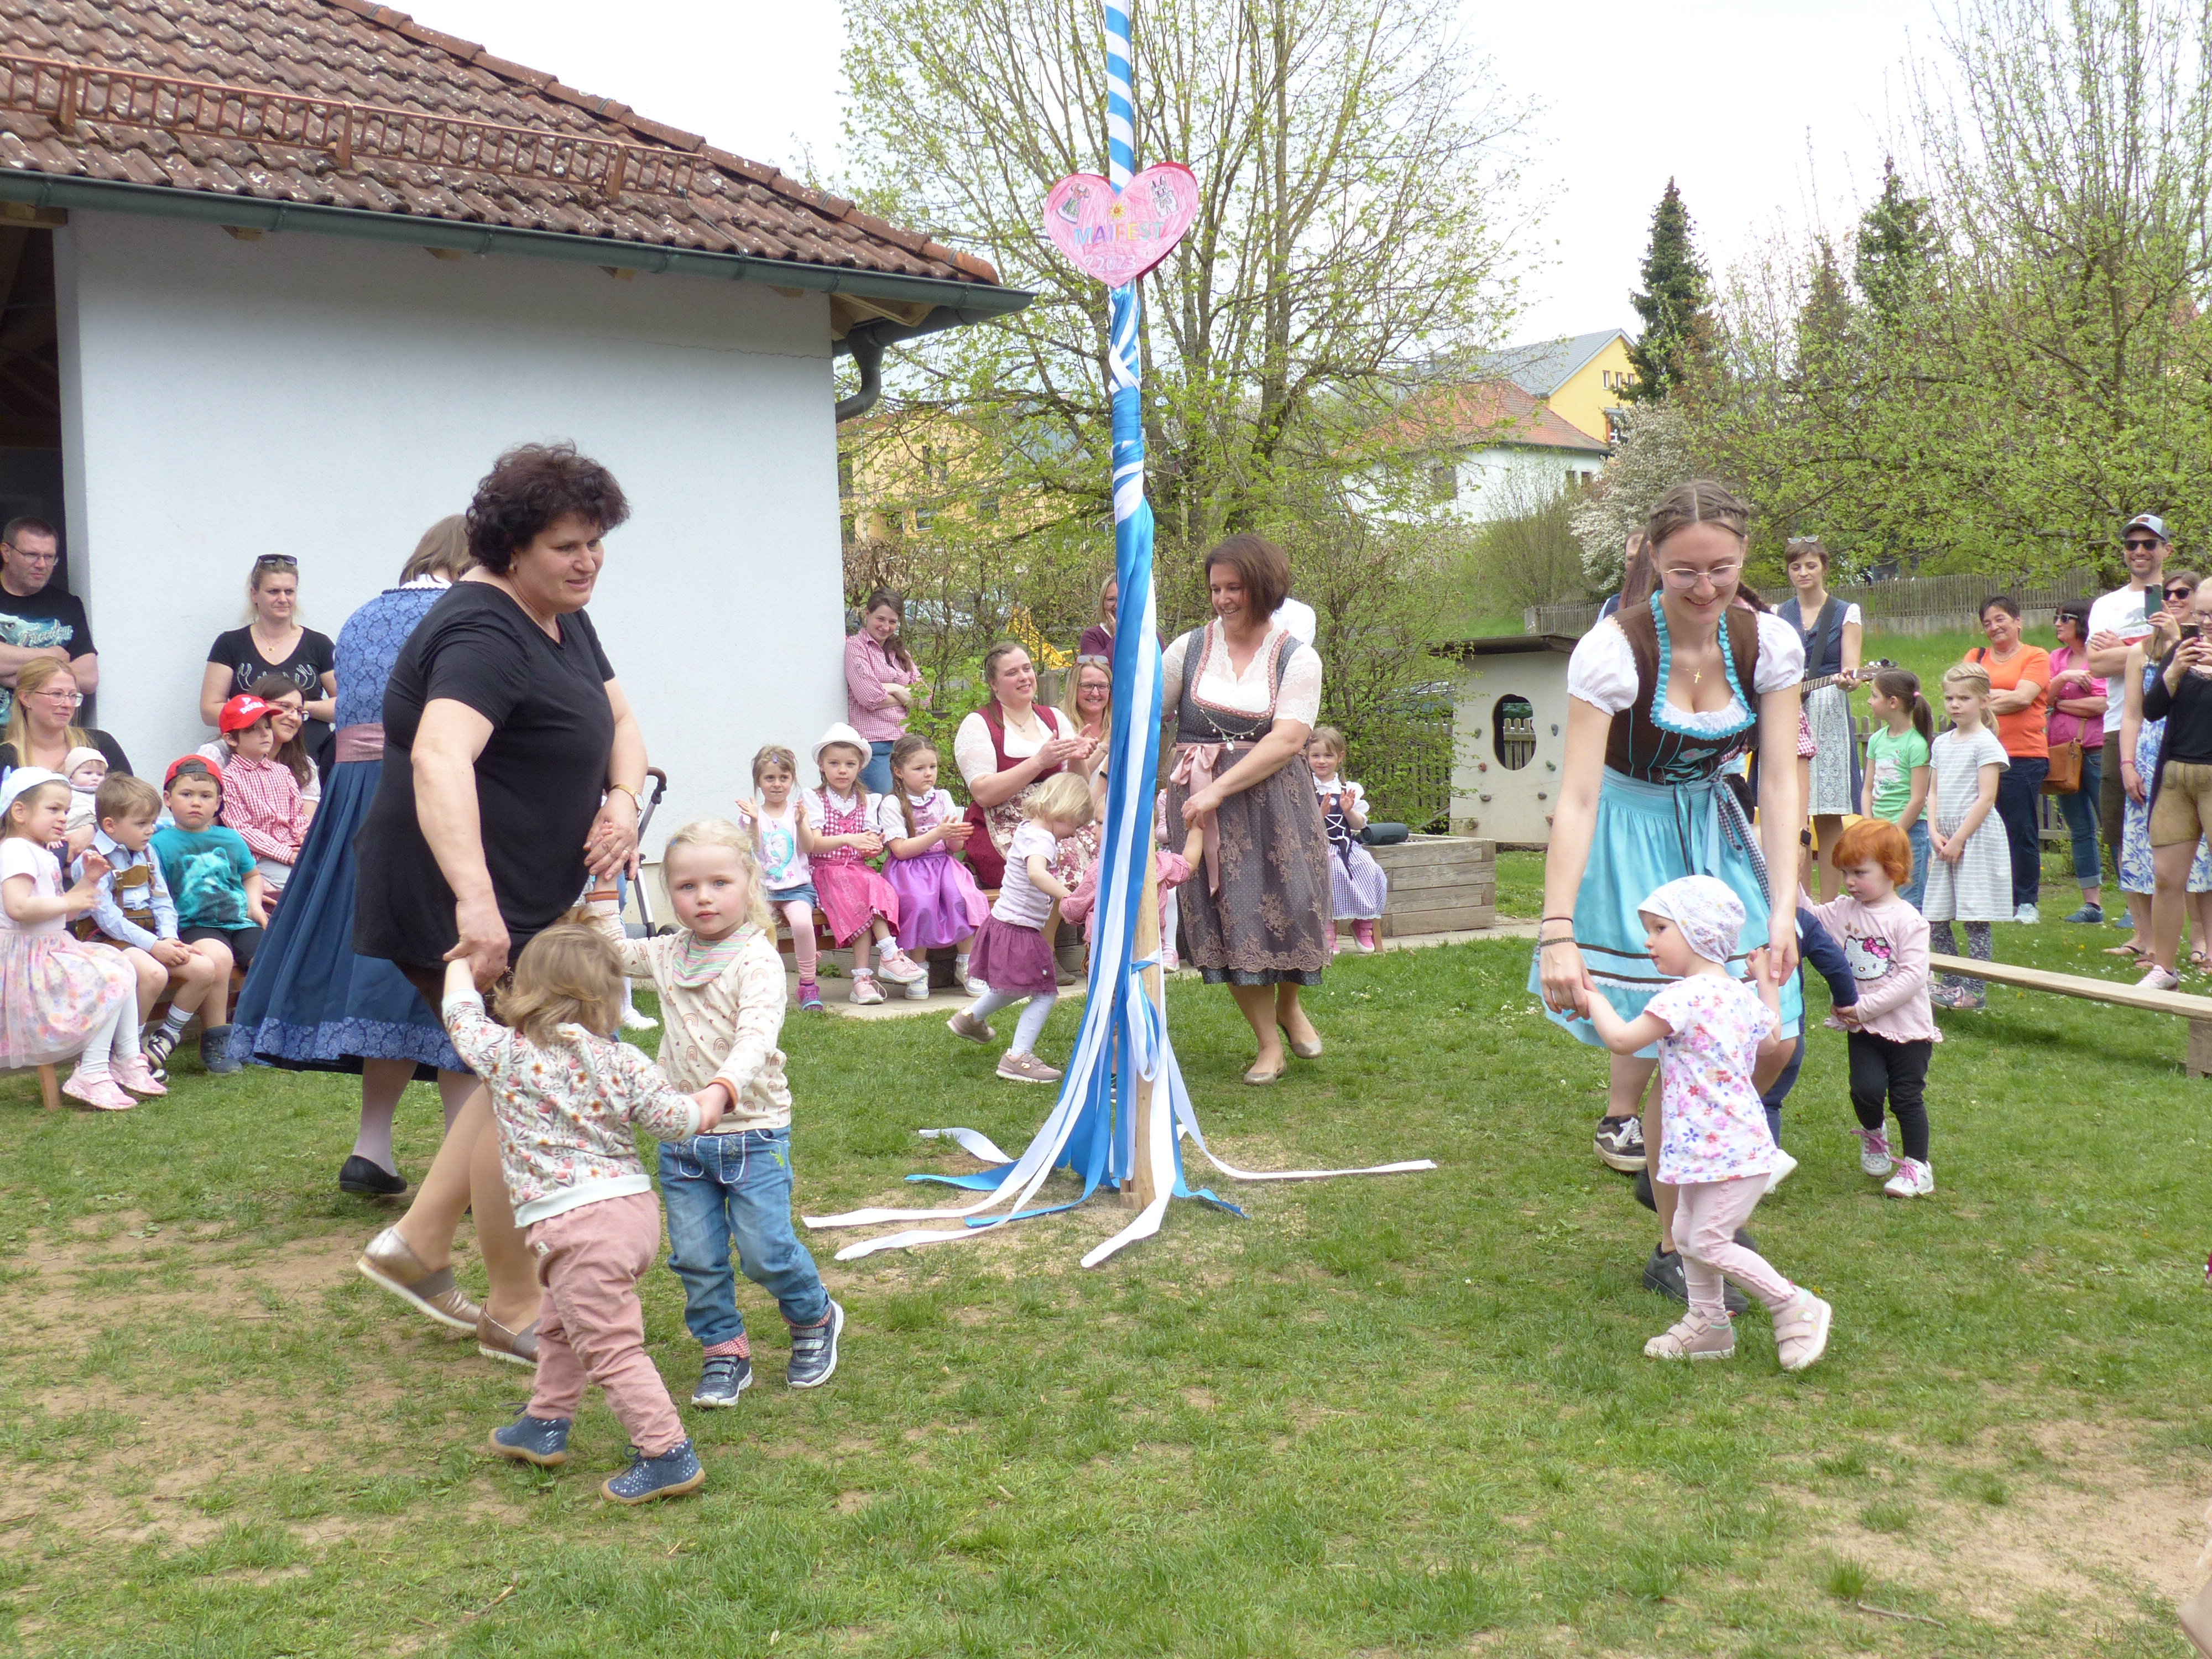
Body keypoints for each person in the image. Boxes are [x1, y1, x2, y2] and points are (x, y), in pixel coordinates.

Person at [352, 445, 649, 1368]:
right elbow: (440, 757)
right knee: (527, 1079)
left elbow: (620, 722)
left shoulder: (561, 614)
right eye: (567, 546)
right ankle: (513, 1304)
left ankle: (418, 1243)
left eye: (595, 542)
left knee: (516, 1074)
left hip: (528, 893)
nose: (587, 561)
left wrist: (622, 800)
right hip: (457, 893)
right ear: (511, 548)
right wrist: (475, 906)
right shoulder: (483, 631)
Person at [1536, 481, 1805, 1292]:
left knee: (1771, 1039)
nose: (1704, 587)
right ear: (1653, 559)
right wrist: (1556, 928)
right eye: (1685, 569)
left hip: (1716, 836)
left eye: (1721, 567)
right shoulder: (1614, 650)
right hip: (1629, 837)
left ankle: (1679, 1176)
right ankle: (1675, 1242)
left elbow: (1780, 781)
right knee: (1676, 1046)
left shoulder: (1767, 643)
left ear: (1744, 556)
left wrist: (1784, 906)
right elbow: (1577, 796)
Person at [228, 521, 478, 1200]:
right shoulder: (465, 612)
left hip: (356, 801)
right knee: (455, 967)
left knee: (381, 969)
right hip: (428, 796)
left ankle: (372, 1147)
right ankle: (462, 1166)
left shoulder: (364, 615)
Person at [450, 931, 722, 1505]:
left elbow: (459, 1016)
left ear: (524, 990)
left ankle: (667, 1453)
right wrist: (712, 1101)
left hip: (576, 1229)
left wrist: (462, 963)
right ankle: (544, 1422)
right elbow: (674, 1122)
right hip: (632, 1216)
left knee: (610, 1347)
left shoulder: (506, 1053)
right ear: (610, 998)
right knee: (559, 1323)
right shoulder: (623, 1059)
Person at [591, 820, 843, 1404]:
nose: (703, 898)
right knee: (697, 1259)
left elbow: (756, 1037)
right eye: (686, 887)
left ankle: (814, 1316)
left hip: (753, 1132)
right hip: (683, 1138)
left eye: (719, 883)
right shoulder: (668, 953)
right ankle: (723, 1349)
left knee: (766, 1252)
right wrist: (604, 885)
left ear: (749, 882)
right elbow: (612, 952)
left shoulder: (757, 959)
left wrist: (720, 1090)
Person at [1582, 875, 1832, 1370]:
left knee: (1707, 1240)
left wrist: (1593, 998)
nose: (1648, 942)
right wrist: (1766, 985)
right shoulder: (1736, 994)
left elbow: (1623, 1041)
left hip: (1725, 1150)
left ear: (1697, 933)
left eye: (1660, 929)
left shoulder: (1681, 998)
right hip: (1716, 1146)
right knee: (1685, 1230)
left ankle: (1794, 1305)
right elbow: (1770, 1041)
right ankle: (1709, 1324)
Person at [1162, 534, 1333, 1084]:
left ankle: (1290, 1006)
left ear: (1263, 586)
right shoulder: (1188, 649)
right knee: (1230, 915)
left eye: (1234, 587)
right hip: (1200, 801)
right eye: (1216, 588)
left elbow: (1288, 739)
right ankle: (1268, 1043)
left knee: (1295, 903)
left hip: (1276, 799)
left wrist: (1221, 788)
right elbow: (1148, 712)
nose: (1223, 599)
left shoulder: (1296, 657)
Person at [0, 767, 152, 1109]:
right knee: (111, 976)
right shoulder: (15, 850)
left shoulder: (36, 850)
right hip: (27, 964)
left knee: (122, 964)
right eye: (53, 809)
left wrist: (87, 884)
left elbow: (60, 914)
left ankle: (127, 1058)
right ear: (19, 812)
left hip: (49, 950)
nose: (63, 818)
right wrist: (71, 900)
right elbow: (18, 907)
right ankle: (93, 1072)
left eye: (66, 810)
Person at [1804, 818, 1939, 1198]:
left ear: (1892, 870)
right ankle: (1875, 1134)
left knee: (1906, 1097)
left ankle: (1918, 1167)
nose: (1849, 882)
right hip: (1863, 1029)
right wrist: (1790, 865)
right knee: (1865, 1090)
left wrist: (1862, 1007)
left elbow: (1913, 977)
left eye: (1859, 873)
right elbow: (1805, 916)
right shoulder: (1843, 911)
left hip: (1908, 1029)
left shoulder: (1908, 920)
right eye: (1845, 873)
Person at [74, 773, 232, 1083]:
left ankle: (164, 1040)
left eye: (152, 822)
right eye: (142, 824)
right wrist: (154, 946)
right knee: (153, 974)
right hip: (106, 939)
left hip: (149, 938)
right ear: (110, 825)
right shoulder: (93, 858)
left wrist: (170, 939)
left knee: (204, 969)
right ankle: (126, 1053)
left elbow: (162, 902)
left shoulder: (147, 852)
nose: (150, 830)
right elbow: (107, 918)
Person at [946, 771, 1095, 1084]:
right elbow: (1036, 873)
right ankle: (1018, 1058)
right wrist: (1069, 897)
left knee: (1013, 987)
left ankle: (970, 1018)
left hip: (1004, 924)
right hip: (1020, 931)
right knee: (1044, 993)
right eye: (1075, 825)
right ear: (1064, 811)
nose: (1073, 834)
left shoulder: (1029, 828)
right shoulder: (1042, 839)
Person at [2116, 586, 2212, 975]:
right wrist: (2173, 671)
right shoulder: (2182, 651)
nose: (2205, 624)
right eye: (2201, 615)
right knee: (2167, 878)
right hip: (2175, 777)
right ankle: (2165, 971)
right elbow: (2153, 710)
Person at [801, 722, 928, 1006]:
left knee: (874, 887)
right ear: (821, 765)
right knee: (863, 889)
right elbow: (813, 844)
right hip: (826, 872)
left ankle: (864, 979)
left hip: (856, 872)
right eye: (834, 764)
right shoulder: (814, 799)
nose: (842, 770)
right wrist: (850, 839)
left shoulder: (867, 801)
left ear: (860, 767)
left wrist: (873, 846)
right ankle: (888, 955)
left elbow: (869, 847)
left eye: (850, 764)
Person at [152, 756, 266, 1069]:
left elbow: (252, 876)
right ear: (167, 799)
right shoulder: (159, 844)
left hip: (239, 921)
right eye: (186, 794)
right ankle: (216, 1039)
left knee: (267, 958)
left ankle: (250, 1033)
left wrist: (255, 905)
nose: (196, 803)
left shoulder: (230, 838)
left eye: (206, 796)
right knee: (219, 958)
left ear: (218, 803)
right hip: (194, 924)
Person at [954, 641, 1094, 890]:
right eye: (1012, 673)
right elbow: (983, 794)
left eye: (1027, 669)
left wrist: (1076, 757)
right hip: (1004, 826)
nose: (1024, 677)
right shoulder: (978, 723)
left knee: (1101, 855)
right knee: (1057, 861)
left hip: (1059, 821)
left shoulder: (1054, 718)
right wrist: (1039, 762)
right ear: (994, 684)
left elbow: (1079, 787)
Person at [2088, 513, 2176, 874]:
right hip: (2121, 723)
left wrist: (2124, 650)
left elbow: (2189, 651)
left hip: (2178, 722)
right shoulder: (2106, 605)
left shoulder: (2180, 594)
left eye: (2149, 544)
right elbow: (2097, 664)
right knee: (2123, 822)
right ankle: (2135, 900)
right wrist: (2152, 648)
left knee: (2183, 821)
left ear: (2167, 550)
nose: (2139, 551)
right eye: (2131, 544)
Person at [1780, 538, 1863, 900]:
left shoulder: (1845, 612)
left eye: (1811, 565)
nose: (1803, 573)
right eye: (1796, 567)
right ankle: (1796, 902)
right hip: (1787, 708)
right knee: (1791, 808)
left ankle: (1828, 905)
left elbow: (1851, 670)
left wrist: (1849, 681)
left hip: (1828, 709)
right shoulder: (1778, 614)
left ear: (1824, 568)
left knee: (1828, 813)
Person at [1924, 664, 2010, 1010]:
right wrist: (1933, 830)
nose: (1955, 704)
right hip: (1944, 839)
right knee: (1935, 917)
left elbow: (1986, 798)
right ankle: (1950, 981)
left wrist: (1959, 838)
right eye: (1950, 698)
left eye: (1964, 698)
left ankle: (1975, 990)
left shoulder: (1986, 743)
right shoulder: (1941, 744)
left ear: (1984, 701)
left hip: (1974, 838)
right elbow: (1933, 792)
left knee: (1975, 918)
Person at [874, 733, 986, 995]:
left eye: (932, 767)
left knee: (962, 897)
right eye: (919, 768)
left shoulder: (943, 797)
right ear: (899, 772)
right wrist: (938, 833)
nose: (928, 774)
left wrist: (956, 836)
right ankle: (917, 968)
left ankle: (967, 963)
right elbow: (900, 850)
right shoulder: (892, 803)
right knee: (919, 902)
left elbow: (954, 848)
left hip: (943, 865)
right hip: (909, 871)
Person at [200, 555, 337, 765]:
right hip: (249, 763)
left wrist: (298, 707)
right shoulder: (230, 644)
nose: (283, 599)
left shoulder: (319, 644)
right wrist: (261, 712)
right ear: (254, 594)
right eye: (273, 591)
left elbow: (346, 705)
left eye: (289, 591)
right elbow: (209, 710)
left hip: (310, 759)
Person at [1964, 596, 2051, 922]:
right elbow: (1960, 696)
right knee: (1980, 827)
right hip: (1979, 755)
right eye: (1987, 623)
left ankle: (2026, 901)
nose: (1994, 627)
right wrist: (2003, 696)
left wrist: (1983, 701)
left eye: (2000, 619)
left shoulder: (2035, 656)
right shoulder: (1976, 656)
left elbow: (2024, 698)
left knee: (2020, 827)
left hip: (2022, 754)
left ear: (2018, 621)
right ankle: (1993, 898)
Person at [735, 744, 824, 1014]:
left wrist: (800, 823)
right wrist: (753, 822)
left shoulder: (798, 812)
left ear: (792, 780)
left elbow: (809, 847)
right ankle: (763, 985)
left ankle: (807, 984)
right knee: (760, 931)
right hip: (763, 890)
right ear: (758, 782)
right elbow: (754, 848)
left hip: (797, 889)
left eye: (783, 778)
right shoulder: (753, 814)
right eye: (769, 778)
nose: (777, 784)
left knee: (802, 924)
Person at [215, 694, 312, 908]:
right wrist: (285, 853)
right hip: (261, 858)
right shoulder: (229, 779)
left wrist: (306, 840)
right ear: (231, 739)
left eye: (267, 726)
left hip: (294, 850)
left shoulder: (283, 772)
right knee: (302, 887)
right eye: (252, 729)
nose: (265, 734)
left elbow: (297, 816)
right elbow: (242, 830)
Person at [0, 518, 98, 728]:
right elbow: (73, 675)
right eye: (31, 555)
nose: (42, 565)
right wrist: (51, 656)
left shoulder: (68, 605)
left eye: (49, 557)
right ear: (6, 552)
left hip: (47, 736)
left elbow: (88, 678)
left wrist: (10, 676)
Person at [2046, 599, 2108, 924]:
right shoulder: (2056, 659)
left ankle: (2134, 905)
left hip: (2096, 751)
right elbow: (2043, 698)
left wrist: (2061, 704)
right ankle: (2091, 905)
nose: (2058, 623)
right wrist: (2065, 679)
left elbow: (2101, 704)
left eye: (2065, 618)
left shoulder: (2099, 656)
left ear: (2083, 621)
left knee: (2114, 827)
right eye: (2056, 618)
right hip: (2063, 754)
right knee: (2080, 830)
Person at [1305, 726, 1387, 953]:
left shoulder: (1348, 788)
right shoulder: (1305, 787)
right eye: (1316, 756)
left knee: (1370, 868)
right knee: (1333, 870)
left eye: (1328, 756)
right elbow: (1301, 826)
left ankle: (1362, 921)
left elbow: (1359, 825)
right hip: (1317, 846)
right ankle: (1327, 927)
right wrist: (1319, 815)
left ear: (1340, 757)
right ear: (1307, 756)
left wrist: (1348, 810)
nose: (1322, 761)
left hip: (1346, 845)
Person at [1861, 669, 1934, 910]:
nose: (1869, 701)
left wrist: (1895, 834)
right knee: (1876, 893)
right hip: (1879, 832)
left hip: (1909, 833)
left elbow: (1918, 799)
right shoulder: (1876, 740)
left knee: (1909, 898)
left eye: (1874, 696)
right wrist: (1869, 825)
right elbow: (1867, 789)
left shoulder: (1916, 745)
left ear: (1893, 702)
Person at [843, 588, 926, 795]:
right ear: (867, 614)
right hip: (875, 745)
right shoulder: (856, 647)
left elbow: (923, 698)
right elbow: (869, 697)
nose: (886, 627)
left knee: (912, 804)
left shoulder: (900, 652)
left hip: (906, 744)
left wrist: (887, 688)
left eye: (892, 622)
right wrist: (901, 691)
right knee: (887, 801)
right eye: (880, 619)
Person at [0, 658, 130, 781]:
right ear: (26, 698)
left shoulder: (100, 745)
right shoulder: (5, 759)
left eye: (73, 695)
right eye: (57, 694)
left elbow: (131, 795)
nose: (68, 704)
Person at [1593, 533, 1651, 624]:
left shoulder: (1667, 602)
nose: (1637, 564)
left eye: (1642, 558)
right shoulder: (1611, 606)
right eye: (1631, 559)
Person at [61, 745, 105, 834]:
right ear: (71, 777)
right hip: (67, 834)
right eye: (88, 773)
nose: (95, 778)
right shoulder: (66, 794)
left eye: (100, 774)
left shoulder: (106, 796)